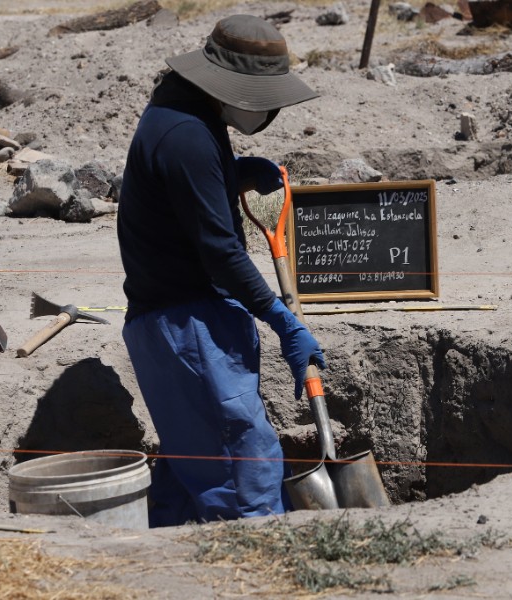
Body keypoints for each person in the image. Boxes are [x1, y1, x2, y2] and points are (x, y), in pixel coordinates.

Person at [116, 14, 325, 527]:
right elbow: (221, 252)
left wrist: (228, 178)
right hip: (187, 328)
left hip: (180, 323)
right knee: (243, 471)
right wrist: (282, 319)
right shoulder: (187, 133)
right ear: (236, 88)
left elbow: (179, 201)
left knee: (200, 468)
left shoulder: (181, 112)